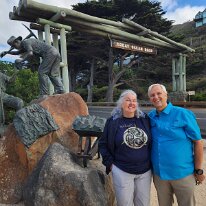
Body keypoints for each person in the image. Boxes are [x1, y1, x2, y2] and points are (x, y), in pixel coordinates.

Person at [147, 83, 205, 206]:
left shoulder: (183, 114)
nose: (156, 97)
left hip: (182, 173)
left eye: (159, 93)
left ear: (166, 95)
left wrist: (199, 170)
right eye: (152, 95)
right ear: (149, 99)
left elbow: (198, 142)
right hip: (160, 175)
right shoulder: (150, 117)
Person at [99, 90, 152, 206]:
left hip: (145, 171)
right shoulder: (113, 121)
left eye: (134, 101)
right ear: (121, 103)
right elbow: (103, 143)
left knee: (143, 203)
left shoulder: (144, 120)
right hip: (122, 170)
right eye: (128, 100)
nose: (131, 103)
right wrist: (110, 163)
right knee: (124, 203)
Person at [0, 36, 65, 96]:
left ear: (16, 42)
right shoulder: (24, 44)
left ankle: (44, 94)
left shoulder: (26, 42)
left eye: (14, 46)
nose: (15, 48)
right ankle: (60, 89)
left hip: (49, 53)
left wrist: (22, 60)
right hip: (56, 52)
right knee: (53, 74)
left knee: (42, 72)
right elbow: (17, 52)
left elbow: (30, 53)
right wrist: (6, 52)